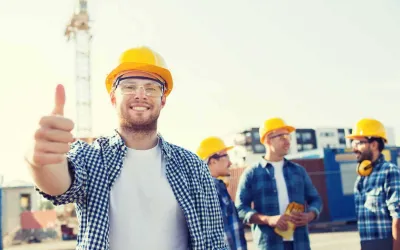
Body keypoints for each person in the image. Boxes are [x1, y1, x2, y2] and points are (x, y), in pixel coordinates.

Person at [25, 46, 228, 250]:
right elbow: (60, 185)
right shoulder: (92, 157)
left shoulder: (192, 166)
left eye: (151, 88)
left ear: (163, 100)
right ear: (113, 98)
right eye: (129, 86)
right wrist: (38, 162)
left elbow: (214, 241)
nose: (141, 95)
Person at [235, 117, 322, 250]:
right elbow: (240, 209)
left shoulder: (299, 171)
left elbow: (316, 200)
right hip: (269, 245)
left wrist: (310, 215)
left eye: (288, 136)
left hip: (300, 244)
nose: (287, 141)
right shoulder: (251, 173)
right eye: (282, 137)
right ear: (268, 140)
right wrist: (268, 220)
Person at [347, 118, 400, 250]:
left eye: (358, 143)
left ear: (374, 145)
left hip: (387, 244)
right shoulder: (362, 177)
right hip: (367, 244)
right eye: (353, 142)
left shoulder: (389, 171)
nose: (354, 148)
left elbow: (398, 217)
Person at [196, 136, 248, 250]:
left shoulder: (215, 187)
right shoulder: (209, 190)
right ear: (213, 161)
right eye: (226, 156)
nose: (230, 162)